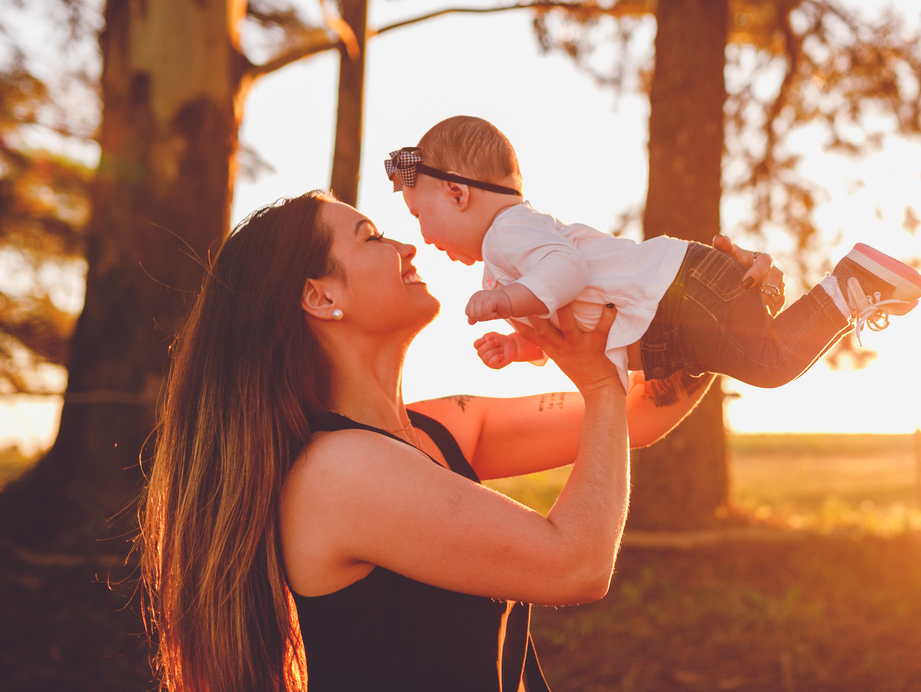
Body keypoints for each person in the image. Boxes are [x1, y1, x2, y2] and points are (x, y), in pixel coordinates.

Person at [139, 190, 777, 692]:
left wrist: (712, 315)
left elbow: (640, 416)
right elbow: (576, 563)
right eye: (371, 237)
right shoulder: (339, 472)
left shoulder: (440, 427)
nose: (405, 246)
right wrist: (599, 387)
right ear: (319, 295)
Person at [385, 115, 921, 390]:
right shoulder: (508, 258)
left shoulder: (508, 231)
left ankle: (850, 284)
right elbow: (566, 327)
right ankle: (833, 291)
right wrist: (520, 346)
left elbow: (567, 271)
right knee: (762, 359)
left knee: (769, 364)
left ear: (457, 193)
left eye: (417, 215)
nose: (421, 236)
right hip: (676, 309)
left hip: (677, 297)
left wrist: (506, 304)